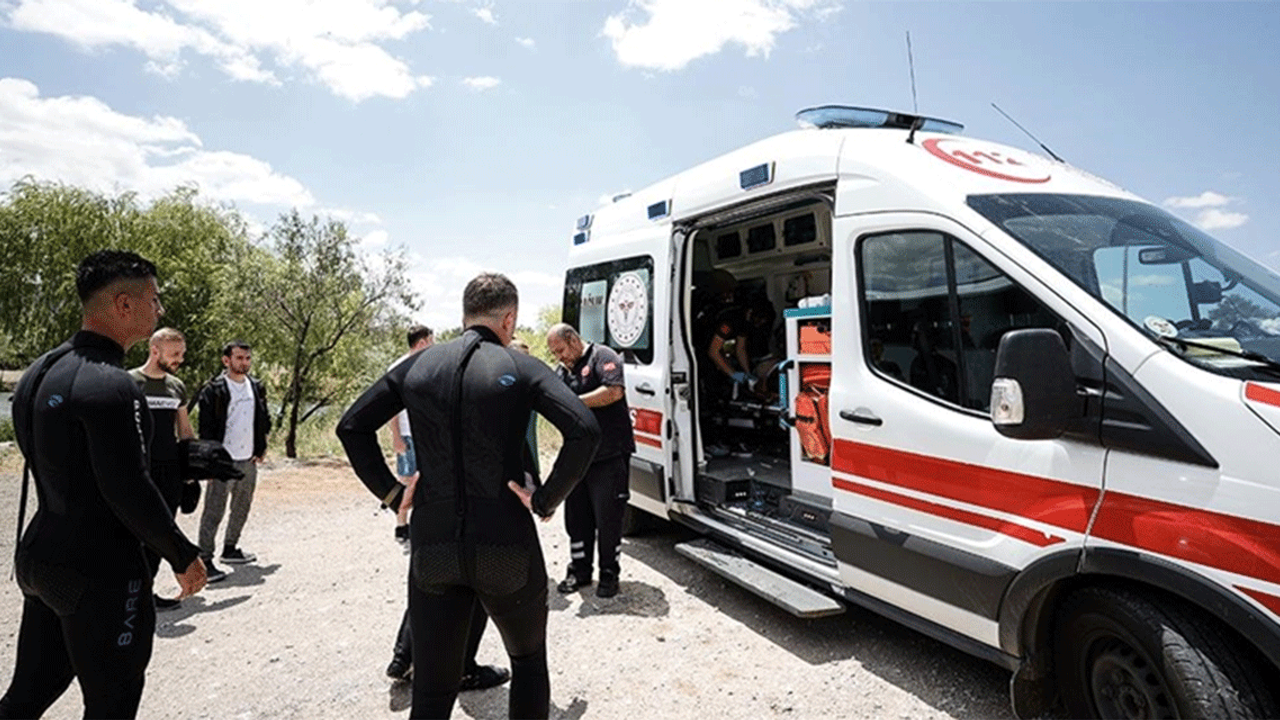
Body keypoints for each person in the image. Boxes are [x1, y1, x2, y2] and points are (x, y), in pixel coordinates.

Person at [337, 273, 600, 719]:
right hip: (505, 543)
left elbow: (351, 426)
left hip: (434, 546)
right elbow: (584, 430)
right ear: (509, 318)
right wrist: (544, 499)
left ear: (464, 314)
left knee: (434, 693)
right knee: (528, 665)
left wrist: (392, 492)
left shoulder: (416, 365)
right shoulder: (520, 366)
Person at [1, 250, 207, 719]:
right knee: (111, 706)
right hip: (101, 570)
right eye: (153, 300)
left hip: (40, 554)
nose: (160, 311)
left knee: (24, 699)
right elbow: (126, 488)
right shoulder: (113, 386)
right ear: (123, 304)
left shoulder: (37, 373)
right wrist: (181, 554)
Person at [383, 324, 510, 694]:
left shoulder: (429, 368)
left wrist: (393, 496)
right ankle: (459, 668)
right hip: (474, 500)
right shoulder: (472, 371)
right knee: (473, 588)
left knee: (431, 581)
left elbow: (353, 426)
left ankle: (405, 655)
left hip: (436, 498)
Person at [545, 323, 635, 599]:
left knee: (608, 518)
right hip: (579, 459)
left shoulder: (602, 356)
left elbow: (614, 391)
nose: (559, 357)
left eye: (560, 350)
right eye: (554, 353)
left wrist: (574, 402)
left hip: (609, 455)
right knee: (577, 517)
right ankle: (580, 570)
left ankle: (609, 574)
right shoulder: (562, 372)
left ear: (572, 339)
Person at [129, 327, 198, 610]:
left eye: (181, 353)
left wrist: (192, 469)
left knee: (162, 532)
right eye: (175, 353)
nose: (180, 359)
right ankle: (126, 594)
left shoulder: (176, 387)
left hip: (169, 472)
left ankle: (145, 593)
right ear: (154, 350)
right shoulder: (129, 382)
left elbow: (184, 430)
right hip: (137, 471)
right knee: (133, 534)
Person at [192, 340, 271, 582]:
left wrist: (261, 447)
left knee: (242, 505)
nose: (244, 363)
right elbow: (205, 429)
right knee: (214, 510)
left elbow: (263, 419)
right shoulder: (214, 390)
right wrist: (209, 460)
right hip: (222, 461)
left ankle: (231, 548)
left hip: (248, 458)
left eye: (247, 358)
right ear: (226, 360)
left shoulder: (255, 386)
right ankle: (205, 558)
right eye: (239, 358)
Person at [387, 324, 434, 546]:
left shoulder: (429, 366)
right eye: (431, 340)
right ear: (422, 342)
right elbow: (390, 409)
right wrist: (396, 436)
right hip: (406, 433)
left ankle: (420, 524)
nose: (433, 345)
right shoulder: (398, 367)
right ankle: (400, 524)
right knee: (406, 480)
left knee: (426, 480)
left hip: (425, 433)